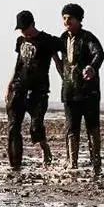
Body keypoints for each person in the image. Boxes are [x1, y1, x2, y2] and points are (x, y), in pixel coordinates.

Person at [5, 10, 62, 169]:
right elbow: (18, 64)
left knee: (36, 125)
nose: (23, 32)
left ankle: (44, 148)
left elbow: (57, 61)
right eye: (20, 29)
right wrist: (9, 85)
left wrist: (66, 78)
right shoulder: (20, 41)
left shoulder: (47, 40)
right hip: (18, 87)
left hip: (39, 89)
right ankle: (15, 165)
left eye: (25, 28)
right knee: (13, 126)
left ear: (32, 24)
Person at [57, 3, 104, 176]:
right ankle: (72, 162)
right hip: (69, 91)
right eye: (64, 18)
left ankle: (96, 161)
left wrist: (92, 67)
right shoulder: (62, 39)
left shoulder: (88, 38)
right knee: (71, 127)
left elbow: (99, 53)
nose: (66, 21)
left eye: (70, 18)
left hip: (89, 92)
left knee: (92, 127)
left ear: (79, 20)